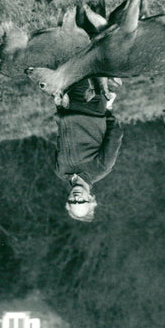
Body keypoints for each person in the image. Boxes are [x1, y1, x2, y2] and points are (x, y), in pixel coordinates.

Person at [54, 77, 123, 222]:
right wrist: (106, 109)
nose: (77, 198)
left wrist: (59, 107)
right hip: (89, 102)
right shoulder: (100, 168)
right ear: (91, 198)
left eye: (73, 202)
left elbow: (62, 136)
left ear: (68, 201)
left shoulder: (60, 171)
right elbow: (115, 133)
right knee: (79, 63)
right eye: (81, 201)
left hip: (65, 102)